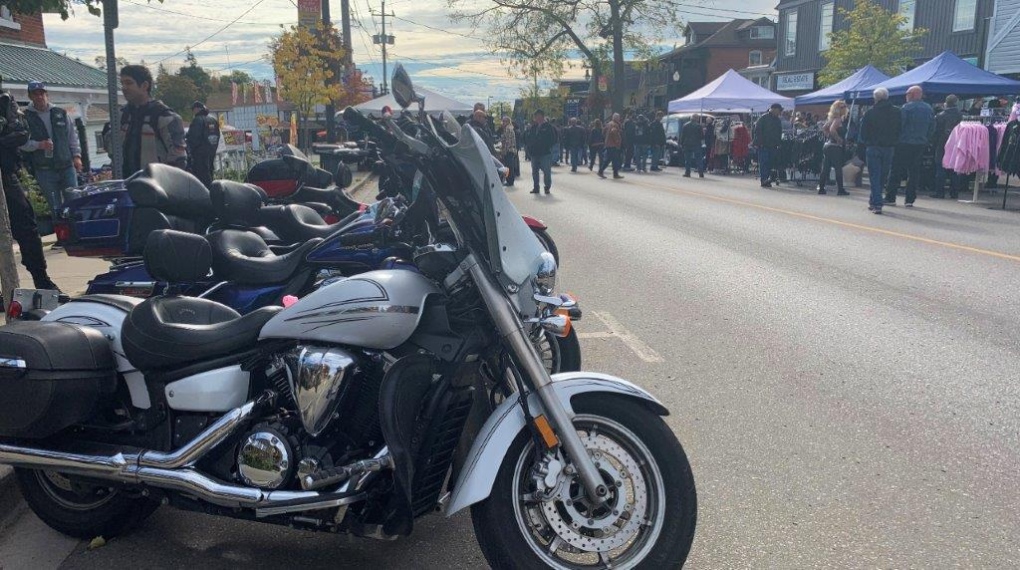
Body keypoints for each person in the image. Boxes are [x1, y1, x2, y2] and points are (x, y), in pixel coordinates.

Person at [0, 80, 58, 290]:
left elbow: (21, 132)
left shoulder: (5, 101)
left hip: (5, 175)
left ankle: (41, 279)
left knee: (26, 224)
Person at [20, 81, 82, 248]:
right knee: (55, 205)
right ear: (30, 97)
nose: (39, 96)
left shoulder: (60, 113)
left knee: (73, 201)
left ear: (47, 95)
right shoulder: (26, 117)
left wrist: (76, 156)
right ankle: (62, 238)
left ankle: (78, 235)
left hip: (66, 166)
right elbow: (22, 143)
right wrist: (39, 145)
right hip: (45, 169)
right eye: (35, 94)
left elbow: (72, 137)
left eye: (42, 93)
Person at [119, 64, 187, 176]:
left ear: (145, 85)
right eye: (122, 83)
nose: (124, 88)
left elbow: (178, 160)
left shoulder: (164, 117)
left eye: (129, 83)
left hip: (158, 187)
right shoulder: (122, 116)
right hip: (126, 186)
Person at [885, 85, 934, 207]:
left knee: (896, 170)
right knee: (914, 172)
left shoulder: (906, 108)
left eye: (907, 94)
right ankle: (910, 199)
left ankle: (891, 197)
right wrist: (926, 139)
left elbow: (900, 125)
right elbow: (932, 128)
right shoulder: (929, 109)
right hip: (920, 143)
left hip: (904, 142)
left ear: (911, 95)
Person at [859, 87, 902, 214]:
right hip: (889, 147)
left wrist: (866, 142)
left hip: (873, 147)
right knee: (882, 176)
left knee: (875, 176)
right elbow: (900, 129)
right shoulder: (897, 112)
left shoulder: (870, 113)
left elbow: (863, 133)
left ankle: (877, 203)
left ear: (875, 98)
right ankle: (874, 200)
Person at [932, 94, 963, 199]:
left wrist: (933, 143)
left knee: (940, 168)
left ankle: (939, 192)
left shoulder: (940, 116)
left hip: (942, 143)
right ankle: (954, 192)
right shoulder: (961, 116)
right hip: (957, 144)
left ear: (946, 103)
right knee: (954, 168)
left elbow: (935, 132)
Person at [817, 100, 850, 196]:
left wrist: (828, 136)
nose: (845, 108)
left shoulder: (831, 119)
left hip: (828, 145)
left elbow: (824, 128)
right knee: (838, 167)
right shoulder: (838, 119)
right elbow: (832, 129)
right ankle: (840, 189)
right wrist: (838, 138)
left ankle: (821, 187)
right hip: (835, 146)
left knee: (826, 167)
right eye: (843, 107)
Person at [185, 101, 220, 188]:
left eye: (193, 109)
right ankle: (212, 195)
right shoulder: (213, 121)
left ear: (197, 109)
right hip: (211, 154)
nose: (193, 112)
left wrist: (189, 152)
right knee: (210, 176)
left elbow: (192, 138)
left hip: (199, 156)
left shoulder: (197, 120)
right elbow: (217, 137)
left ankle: (205, 198)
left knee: (201, 182)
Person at [525, 109, 556, 194]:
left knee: (546, 171)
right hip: (534, 153)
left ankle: (547, 187)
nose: (537, 118)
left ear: (542, 116)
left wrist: (547, 146)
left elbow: (553, 139)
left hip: (545, 153)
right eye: (536, 116)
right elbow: (529, 138)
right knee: (534, 171)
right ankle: (536, 187)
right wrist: (529, 147)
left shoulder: (548, 127)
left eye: (538, 116)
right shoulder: (533, 127)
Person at [753, 104, 784, 188]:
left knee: (770, 163)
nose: (780, 112)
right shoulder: (763, 118)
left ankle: (767, 179)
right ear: (773, 109)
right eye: (779, 110)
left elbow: (779, 132)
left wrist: (779, 143)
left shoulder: (777, 120)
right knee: (764, 163)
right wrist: (759, 142)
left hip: (773, 145)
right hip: (763, 145)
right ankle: (764, 180)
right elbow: (757, 131)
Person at [598, 113, 624, 179]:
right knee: (614, 159)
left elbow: (603, 132)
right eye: (618, 118)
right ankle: (604, 171)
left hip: (608, 144)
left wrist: (606, 139)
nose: (619, 119)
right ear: (616, 118)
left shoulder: (608, 124)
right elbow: (614, 132)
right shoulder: (615, 125)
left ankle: (613, 173)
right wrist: (617, 141)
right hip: (613, 144)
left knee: (610, 159)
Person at [499, 116, 518, 187]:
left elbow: (507, 141)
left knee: (509, 166)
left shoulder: (508, 129)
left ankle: (510, 181)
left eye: (504, 121)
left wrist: (504, 151)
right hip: (511, 150)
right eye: (503, 121)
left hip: (509, 150)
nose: (503, 123)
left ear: (507, 122)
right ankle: (510, 180)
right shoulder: (510, 129)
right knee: (510, 166)